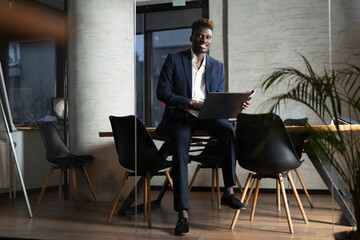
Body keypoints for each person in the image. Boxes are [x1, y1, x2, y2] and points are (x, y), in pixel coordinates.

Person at [156, 18, 250, 236]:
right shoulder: (174, 60)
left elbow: (217, 97)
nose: (204, 40)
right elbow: (162, 93)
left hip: (208, 115)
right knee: (180, 153)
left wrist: (237, 104)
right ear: (192, 37)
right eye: (200, 35)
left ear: (211, 40)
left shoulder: (217, 66)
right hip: (182, 115)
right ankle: (183, 215)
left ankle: (228, 191)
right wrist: (189, 102)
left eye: (208, 37)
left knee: (228, 131)